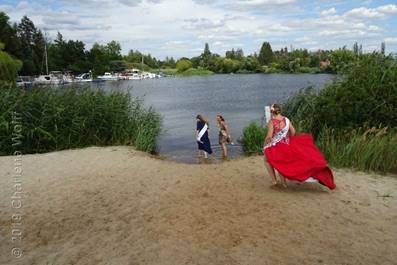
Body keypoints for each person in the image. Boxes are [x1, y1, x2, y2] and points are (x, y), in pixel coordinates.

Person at [263, 103, 336, 190]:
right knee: (282, 163)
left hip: (277, 145)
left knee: (266, 159)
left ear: (272, 112)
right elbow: (293, 131)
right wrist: (288, 139)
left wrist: (265, 144)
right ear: (279, 110)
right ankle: (283, 184)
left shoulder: (272, 121)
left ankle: (274, 181)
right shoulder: (286, 119)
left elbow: (269, 136)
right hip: (286, 143)